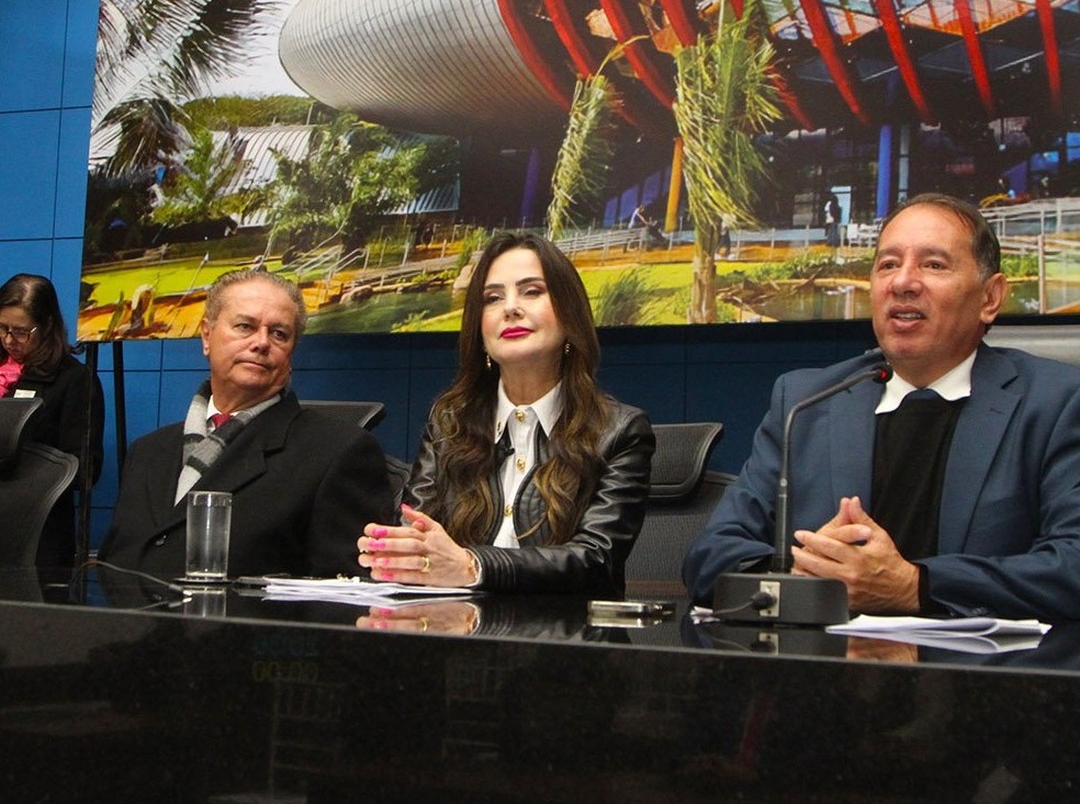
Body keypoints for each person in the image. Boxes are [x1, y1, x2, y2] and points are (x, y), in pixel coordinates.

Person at [684, 193, 1080, 622]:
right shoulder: (807, 402)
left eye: (933, 265)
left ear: (990, 297)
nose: (903, 282)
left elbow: (1072, 563)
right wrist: (801, 572)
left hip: (987, 680)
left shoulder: (1055, 403)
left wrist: (914, 586)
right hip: (823, 678)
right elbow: (710, 556)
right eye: (888, 264)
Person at [358, 232, 655, 595]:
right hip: (452, 635)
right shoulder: (449, 421)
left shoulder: (619, 431)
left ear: (569, 315)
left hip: (563, 640)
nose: (510, 308)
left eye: (532, 292)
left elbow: (595, 561)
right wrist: (396, 551)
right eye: (492, 298)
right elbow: (417, 533)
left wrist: (473, 566)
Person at [99, 269, 394, 578]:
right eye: (245, 326)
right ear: (206, 336)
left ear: (292, 352)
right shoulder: (147, 452)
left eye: (279, 333)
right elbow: (115, 566)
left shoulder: (340, 452)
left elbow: (351, 593)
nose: (261, 343)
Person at [0, 274, 104, 567]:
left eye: (21, 331)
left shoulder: (74, 380)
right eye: (2, 328)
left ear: (46, 326)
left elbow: (86, 470)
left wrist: (23, 457)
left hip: (36, 538)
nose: (9, 340)